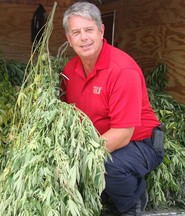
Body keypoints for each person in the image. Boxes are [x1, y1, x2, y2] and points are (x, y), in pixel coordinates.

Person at [61, 1, 165, 215]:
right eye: (76, 32)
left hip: (141, 142)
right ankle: (108, 192)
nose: (84, 37)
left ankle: (133, 200)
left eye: (89, 30)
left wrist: (80, 158)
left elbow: (122, 135)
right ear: (69, 39)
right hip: (99, 139)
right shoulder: (69, 70)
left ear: (101, 31)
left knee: (107, 166)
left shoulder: (122, 70)